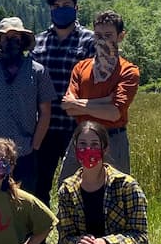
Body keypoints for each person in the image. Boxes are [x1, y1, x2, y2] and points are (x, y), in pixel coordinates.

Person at [0, 17, 57, 195]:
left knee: (25, 204)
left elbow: (46, 112)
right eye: (6, 38)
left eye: (16, 37)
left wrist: (36, 144)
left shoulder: (38, 71)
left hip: (26, 152)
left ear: (23, 41)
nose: (11, 42)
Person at [31, 0, 96, 208]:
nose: (61, 9)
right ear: (50, 10)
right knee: (39, 187)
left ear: (76, 8)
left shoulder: (90, 41)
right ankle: (38, 240)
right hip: (43, 127)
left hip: (77, 127)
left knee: (81, 184)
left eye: (66, 5)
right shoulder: (38, 42)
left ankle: (78, 237)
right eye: (56, 6)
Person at [59, 10, 140, 177]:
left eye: (108, 35)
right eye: (98, 35)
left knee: (115, 193)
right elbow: (68, 107)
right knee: (67, 189)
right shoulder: (81, 67)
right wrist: (105, 100)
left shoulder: (128, 71)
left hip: (113, 140)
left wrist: (79, 104)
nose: (102, 40)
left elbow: (113, 113)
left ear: (120, 36)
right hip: (81, 137)